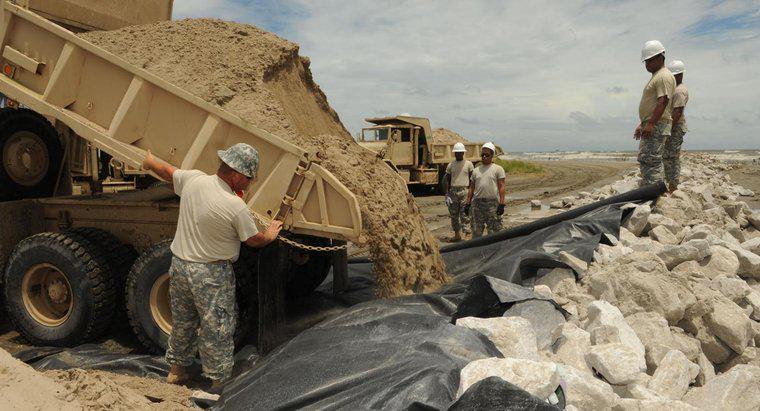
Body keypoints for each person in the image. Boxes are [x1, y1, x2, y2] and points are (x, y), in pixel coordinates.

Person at [141, 143, 283, 388]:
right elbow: (253, 240)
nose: (249, 183)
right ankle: (218, 382)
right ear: (236, 174)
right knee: (217, 326)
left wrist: (150, 161)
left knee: (183, 322)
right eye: (248, 178)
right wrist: (270, 235)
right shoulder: (234, 205)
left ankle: (176, 371)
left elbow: (168, 171)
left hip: (180, 267)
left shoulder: (194, 180)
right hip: (211, 273)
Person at [634, 40, 676, 185]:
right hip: (654, 122)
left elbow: (662, 101)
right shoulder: (657, 76)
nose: (647, 65)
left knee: (651, 160)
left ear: (660, 57)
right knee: (647, 159)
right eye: (645, 62)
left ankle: (654, 194)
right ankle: (652, 190)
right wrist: (643, 123)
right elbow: (654, 104)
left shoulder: (663, 76)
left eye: (650, 61)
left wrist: (651, 123)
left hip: (657, 124)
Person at [464, 142, 506, 238]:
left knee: (495, 232)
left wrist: (502, 204)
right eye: (482, 155)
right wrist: (467, 203)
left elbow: (502, 187)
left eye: (487, 155)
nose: (484, 157)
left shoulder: (498, 169)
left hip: (492, 204)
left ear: (492, 155)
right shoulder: (475, 171)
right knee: (476, 232)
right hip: (477, 205)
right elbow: (471, 188)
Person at [664, 60, 689, 193]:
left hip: (676, 126)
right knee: (668, 156)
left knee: (672, 157)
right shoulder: (676, 89)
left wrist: (668, 129)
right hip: (674, 126)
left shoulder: (679, 91)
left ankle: (673, 186)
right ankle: (670, 183)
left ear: (679, 75)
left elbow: (677, 112)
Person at [444, 142, 474, 241]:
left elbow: (472, 179)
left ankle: (467, 234)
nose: (458, 154)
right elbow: (447, 180)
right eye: (457, 152)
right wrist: (447, 194)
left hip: (464, 191)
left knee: (465, 213)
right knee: (454, 215)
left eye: (460, 152)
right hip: (453, 192)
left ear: (463, 152)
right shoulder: (450, 165)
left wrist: (471, 193)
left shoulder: (469, 164)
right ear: (454, 153)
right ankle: (457, 234)